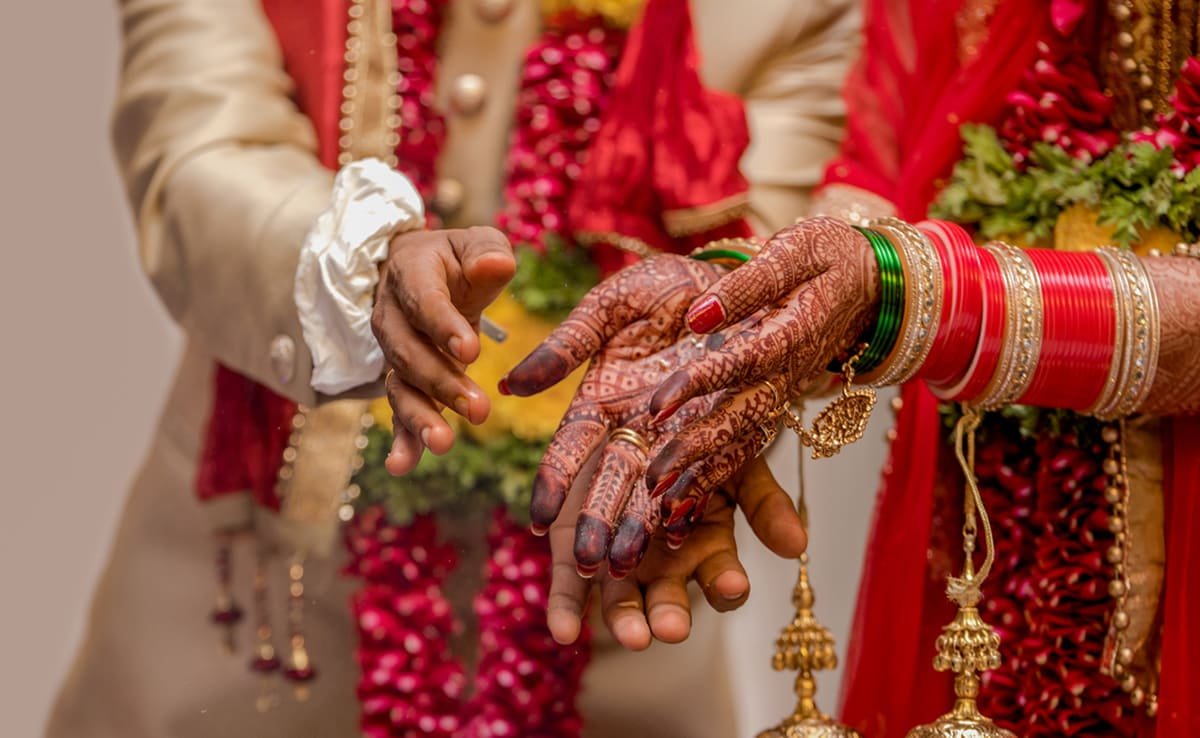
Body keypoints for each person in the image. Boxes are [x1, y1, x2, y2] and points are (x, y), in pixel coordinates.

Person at [46, 0, 862, 736]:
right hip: (263, 597)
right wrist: (363, 269)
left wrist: (700, 359)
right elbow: (197, 149)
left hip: (624, 580)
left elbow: (780, 240)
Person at [505, 1, 1200, 737]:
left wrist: (911, 292)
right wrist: (729, 314)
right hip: (1005, 519)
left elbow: (883, 266)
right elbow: (874, 189)